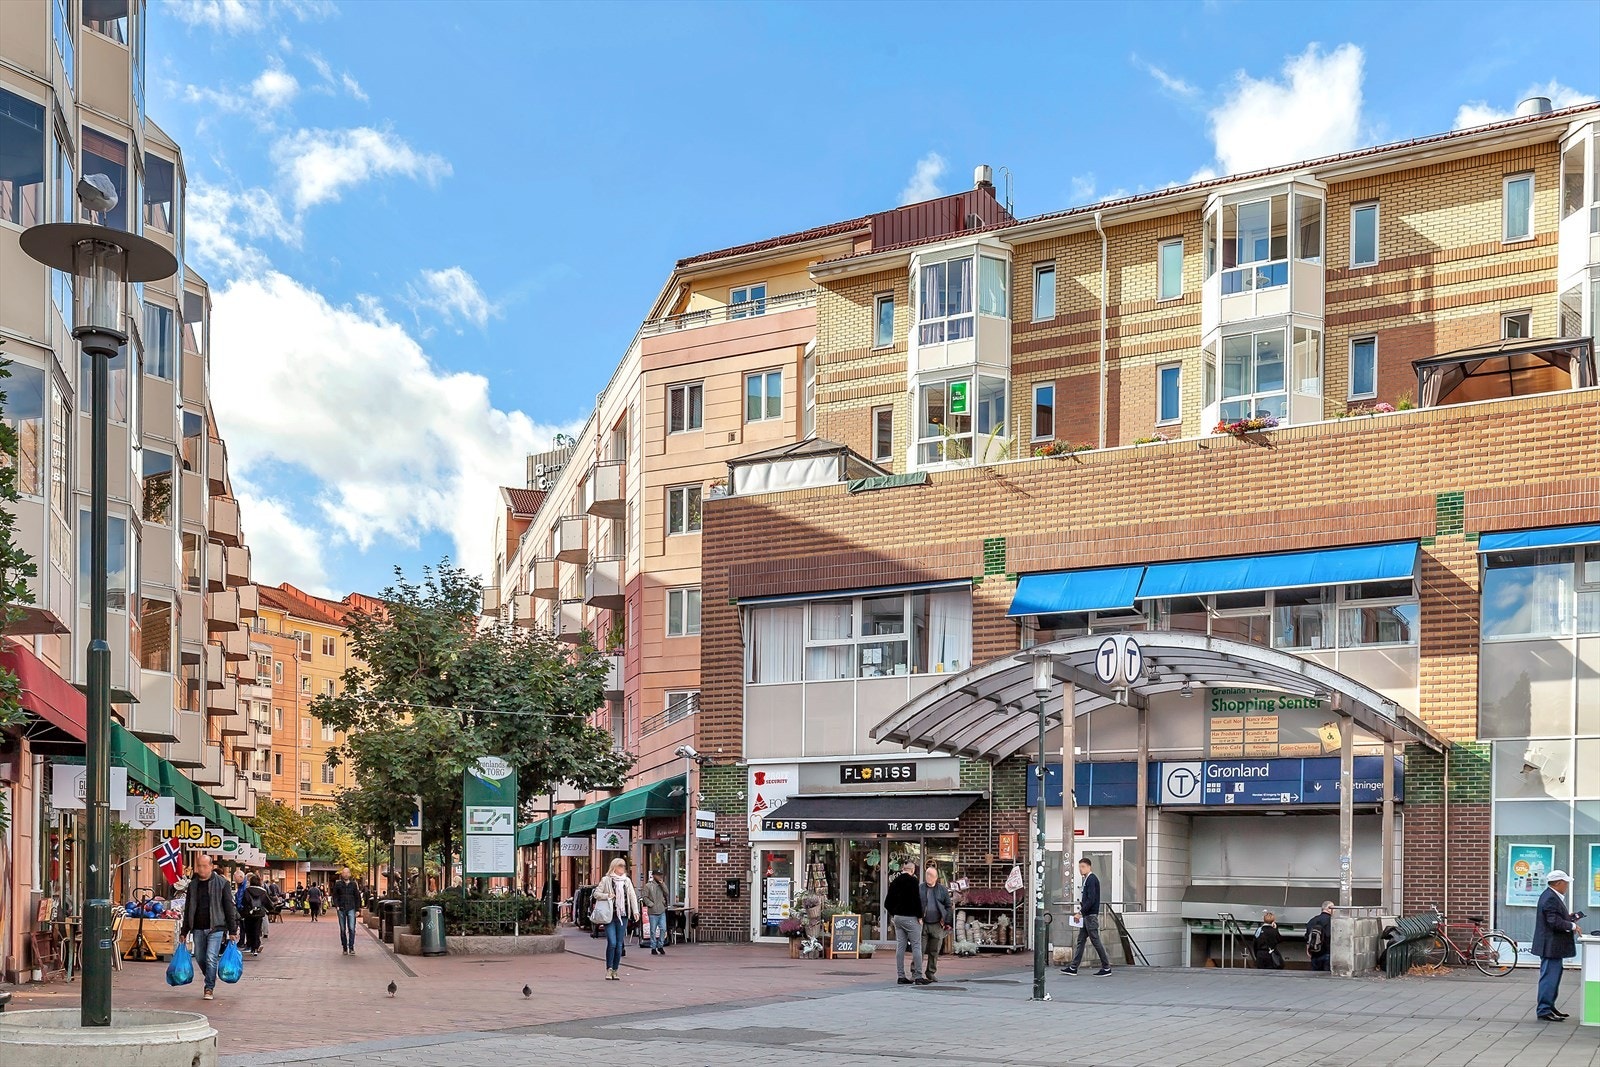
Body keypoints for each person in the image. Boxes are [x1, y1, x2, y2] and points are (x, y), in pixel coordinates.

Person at [178, 852, 239, 1002]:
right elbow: (189, 908)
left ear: (211, 867)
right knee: (199, 956)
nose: (202, 869)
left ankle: (209, 987)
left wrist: (232, 930)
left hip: (216, 927)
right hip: (198, 927)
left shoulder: (222, 883)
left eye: (205, 866)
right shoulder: (193, 885)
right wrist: (184, 930)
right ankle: (211, 976)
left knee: (211, 957)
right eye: (199, 866)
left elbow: (228, 907)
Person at [1534, 870, 1582, 1021]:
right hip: (1551, 946)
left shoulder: (1551, 896)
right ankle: (1544, 1009)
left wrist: (1569, 918)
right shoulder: (1550, 898)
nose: (1567, 885)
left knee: (1553, 977)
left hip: (1552, 946)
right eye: (1565, 882)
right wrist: (1572, 926)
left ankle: (1549, 1006)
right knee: (1550, 977)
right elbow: (1553, 921)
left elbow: (1554, 917)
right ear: (1558, 883)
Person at [1062, 857, 1111, 976]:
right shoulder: (1087, 880)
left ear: (1089, 867)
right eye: (1079, 867)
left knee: (1095, 940)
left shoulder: (1091, 879)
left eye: (1083, 867)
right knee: (1081, 940)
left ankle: (1106, 967)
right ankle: (1073, 967)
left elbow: (1091, 899)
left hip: (1090, 915)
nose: (1081, 869)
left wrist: (1080, 912)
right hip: (1087, 915)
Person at [593, 857, 640, 980]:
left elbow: (632, 896)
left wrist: (635, 911)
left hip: (623, 915)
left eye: (624, 866)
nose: (623, 868)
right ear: (614, 867)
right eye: (620, 866)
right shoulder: (606, 880)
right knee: (612, 942)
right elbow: (596, 894)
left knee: (619, 944)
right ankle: (608, 969)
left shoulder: (626, 881)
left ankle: (615, 969)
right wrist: (607, 895)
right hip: (609, 915)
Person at [883, 859, 927, 985]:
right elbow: (916, 900)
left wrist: (894, 913)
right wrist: (919, 916)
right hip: (911, 917)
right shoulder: (913, 881)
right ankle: (918, 976)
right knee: (916, 946)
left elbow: (887, 903)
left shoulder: (895, 881)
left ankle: (900, 975)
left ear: (903, 869)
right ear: (912, 870)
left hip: (898, 918)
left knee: (900, 946)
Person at [918, 864, 952, 983]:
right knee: (919, 950)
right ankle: (916, 972)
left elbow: (948, 906)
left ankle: (930, 972)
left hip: (937, 924)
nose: (928, 877)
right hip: (923, 923)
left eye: (931, 875)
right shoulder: (920, 888)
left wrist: (947, 921)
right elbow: (915, 904)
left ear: (936, 877)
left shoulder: (942, 890)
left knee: (934, 950)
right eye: (927, 874)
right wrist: (918, 917)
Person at [331, 866, 363, 955]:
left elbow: (357, 897)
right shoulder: (338, 884)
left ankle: (351, 947)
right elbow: (335, 895)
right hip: (341, 908)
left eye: (347, 872)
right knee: (342, 929)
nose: (346, 874)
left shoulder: (353, 884)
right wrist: (336, 905)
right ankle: (344, 947)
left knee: (352, 928)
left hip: (351, 908)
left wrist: (358, 909)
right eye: (344, 873)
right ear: (342, 874)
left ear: (350, 874)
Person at [639, 870, 669, 956]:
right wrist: (650, 904)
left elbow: (666, 893)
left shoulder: (661, 885)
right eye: (658, 875)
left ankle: (660, 945)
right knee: (652, 930)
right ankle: (653, 947)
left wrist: (662, 884)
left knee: (663, 929)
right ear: (654, 875)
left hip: (662, 910)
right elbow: (644, 897)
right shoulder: (648, 886)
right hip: (652, 912)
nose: (660, 877)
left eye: (661, 875)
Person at [241, 874, 270, 957]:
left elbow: (244, 901)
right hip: (259, 913)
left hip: (249, 913)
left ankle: (250, 945)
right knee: (257, 930)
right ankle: (256, 947)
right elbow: (267, 902)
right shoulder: (263, 891)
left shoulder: (247, 890)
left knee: (249, 930)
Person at [1305, 900, 1334, 972]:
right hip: (1327, 952)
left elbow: (1307, 936)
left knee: (1315, 975)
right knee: (1326, 976)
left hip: (1315, 952)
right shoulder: (1332, 921)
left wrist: (1308, 948)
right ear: (1329, 909)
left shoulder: (1312, 920)